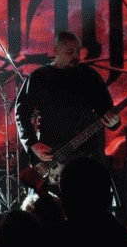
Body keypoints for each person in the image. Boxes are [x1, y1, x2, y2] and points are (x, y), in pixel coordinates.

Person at [14, 31, 120, 193]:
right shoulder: (39, 77)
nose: (75, 56)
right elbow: (21, 112)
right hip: (54, 154)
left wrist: (114, 122)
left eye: (78, 51)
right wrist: (32, 143)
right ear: (56, 50)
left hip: (89, 155)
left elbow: (107, 110)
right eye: (70, 52)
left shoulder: (90, 76)